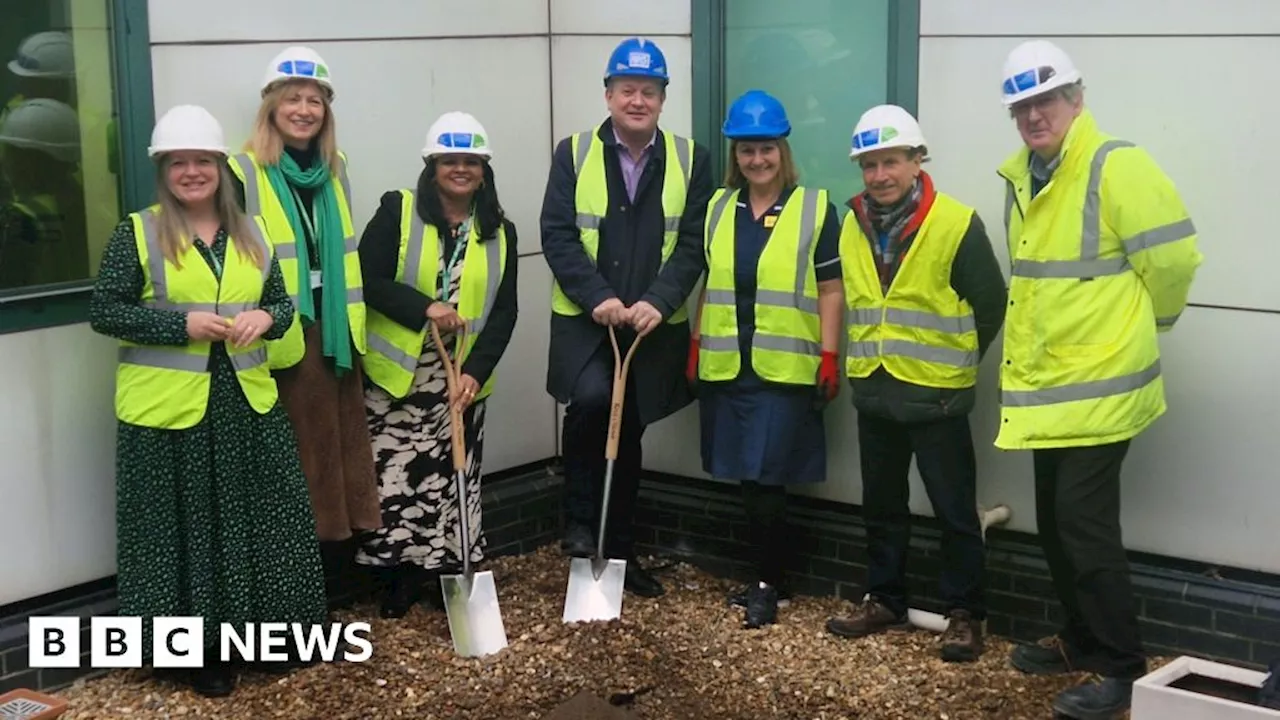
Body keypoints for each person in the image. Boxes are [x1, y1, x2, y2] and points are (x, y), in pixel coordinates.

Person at [87, 105, 327, 697]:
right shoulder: (137, 232)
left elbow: (283, 306)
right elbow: (105, 312)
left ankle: (266, 636)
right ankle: (195, 654)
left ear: (220, 167)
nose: (191, 172)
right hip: (169, 413)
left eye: (202, 161)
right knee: (185, 531)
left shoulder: (252, 233)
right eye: (178, 163)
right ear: (163, 171)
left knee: (263, 521)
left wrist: (263, 317)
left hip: (246, 404)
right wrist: (182, 326)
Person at [994, 40, 1202, 718]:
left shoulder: (1117, 166)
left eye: (1045, 100)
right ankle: (1080, 638)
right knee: (1057, 527)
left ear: (1076, 99)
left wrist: (1148, 324)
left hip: (1103, 391)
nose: (1033, 116)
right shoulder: (1027, 175)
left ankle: (1120, 667)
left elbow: (1174, 261)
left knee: (1085, 530)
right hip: (1051, 395)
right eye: (1021, 106)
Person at [822, 104, 1007, 663]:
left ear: (917, 159)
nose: (880, 175)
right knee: (881, 505)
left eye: (892, 162)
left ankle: (964, 615)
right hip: (875, 391)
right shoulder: (850, 222)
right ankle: (885, 599)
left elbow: (992, 306)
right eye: (870, 165)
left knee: (954, 512)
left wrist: (952, 361)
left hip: (937, 396)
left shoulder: (954, 222)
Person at [541, 36, 713, 598]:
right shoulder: (573, 153)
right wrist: (598, 297)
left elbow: (693, 243)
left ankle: (617, 551)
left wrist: (659, 302)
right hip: (587, 321)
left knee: (629, 429)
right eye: (627, 90)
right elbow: (558, 233)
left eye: (649, 91)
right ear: (608, 94)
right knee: (591, 402)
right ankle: (579, 525)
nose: (637, 100)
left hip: (648, 326)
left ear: (663, 98)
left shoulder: (692, 160)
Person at [227, 46, 381, 605]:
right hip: (285, 336)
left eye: (314, 100)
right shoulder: (241, 171)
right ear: (270, 106)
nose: (304, 109)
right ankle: (307, 581)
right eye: (292, 98)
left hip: (337, 331)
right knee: (306, 458)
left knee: (342, 453)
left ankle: (337, 570)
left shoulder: (335, 168)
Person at [689, 89, 843, 629]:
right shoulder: (716, 209)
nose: (757, 160)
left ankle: (767, 582)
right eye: (746, 150)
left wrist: (829, 355)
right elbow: (711, 281)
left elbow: (831, 289)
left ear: (783, 151)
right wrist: (696, 341)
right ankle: (761, 574)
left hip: (784, 369)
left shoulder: (816, 209)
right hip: (730, 365)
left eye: (767, 149)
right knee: (747, 480)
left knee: (769, 476)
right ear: (736, 154)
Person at [355, 111, 519, 618]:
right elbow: (369, 278)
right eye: (451, 160)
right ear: (432, 165)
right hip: (398, 376)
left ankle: (445, 576)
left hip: (460, 379)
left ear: (484, 169)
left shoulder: (500, 231)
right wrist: (425, 307)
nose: (461, 169)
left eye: (472, 161)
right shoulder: (398, 211)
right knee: (400, 482)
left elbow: (505, 310)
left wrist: (476, 372)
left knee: (453, 479)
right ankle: (399, 579)